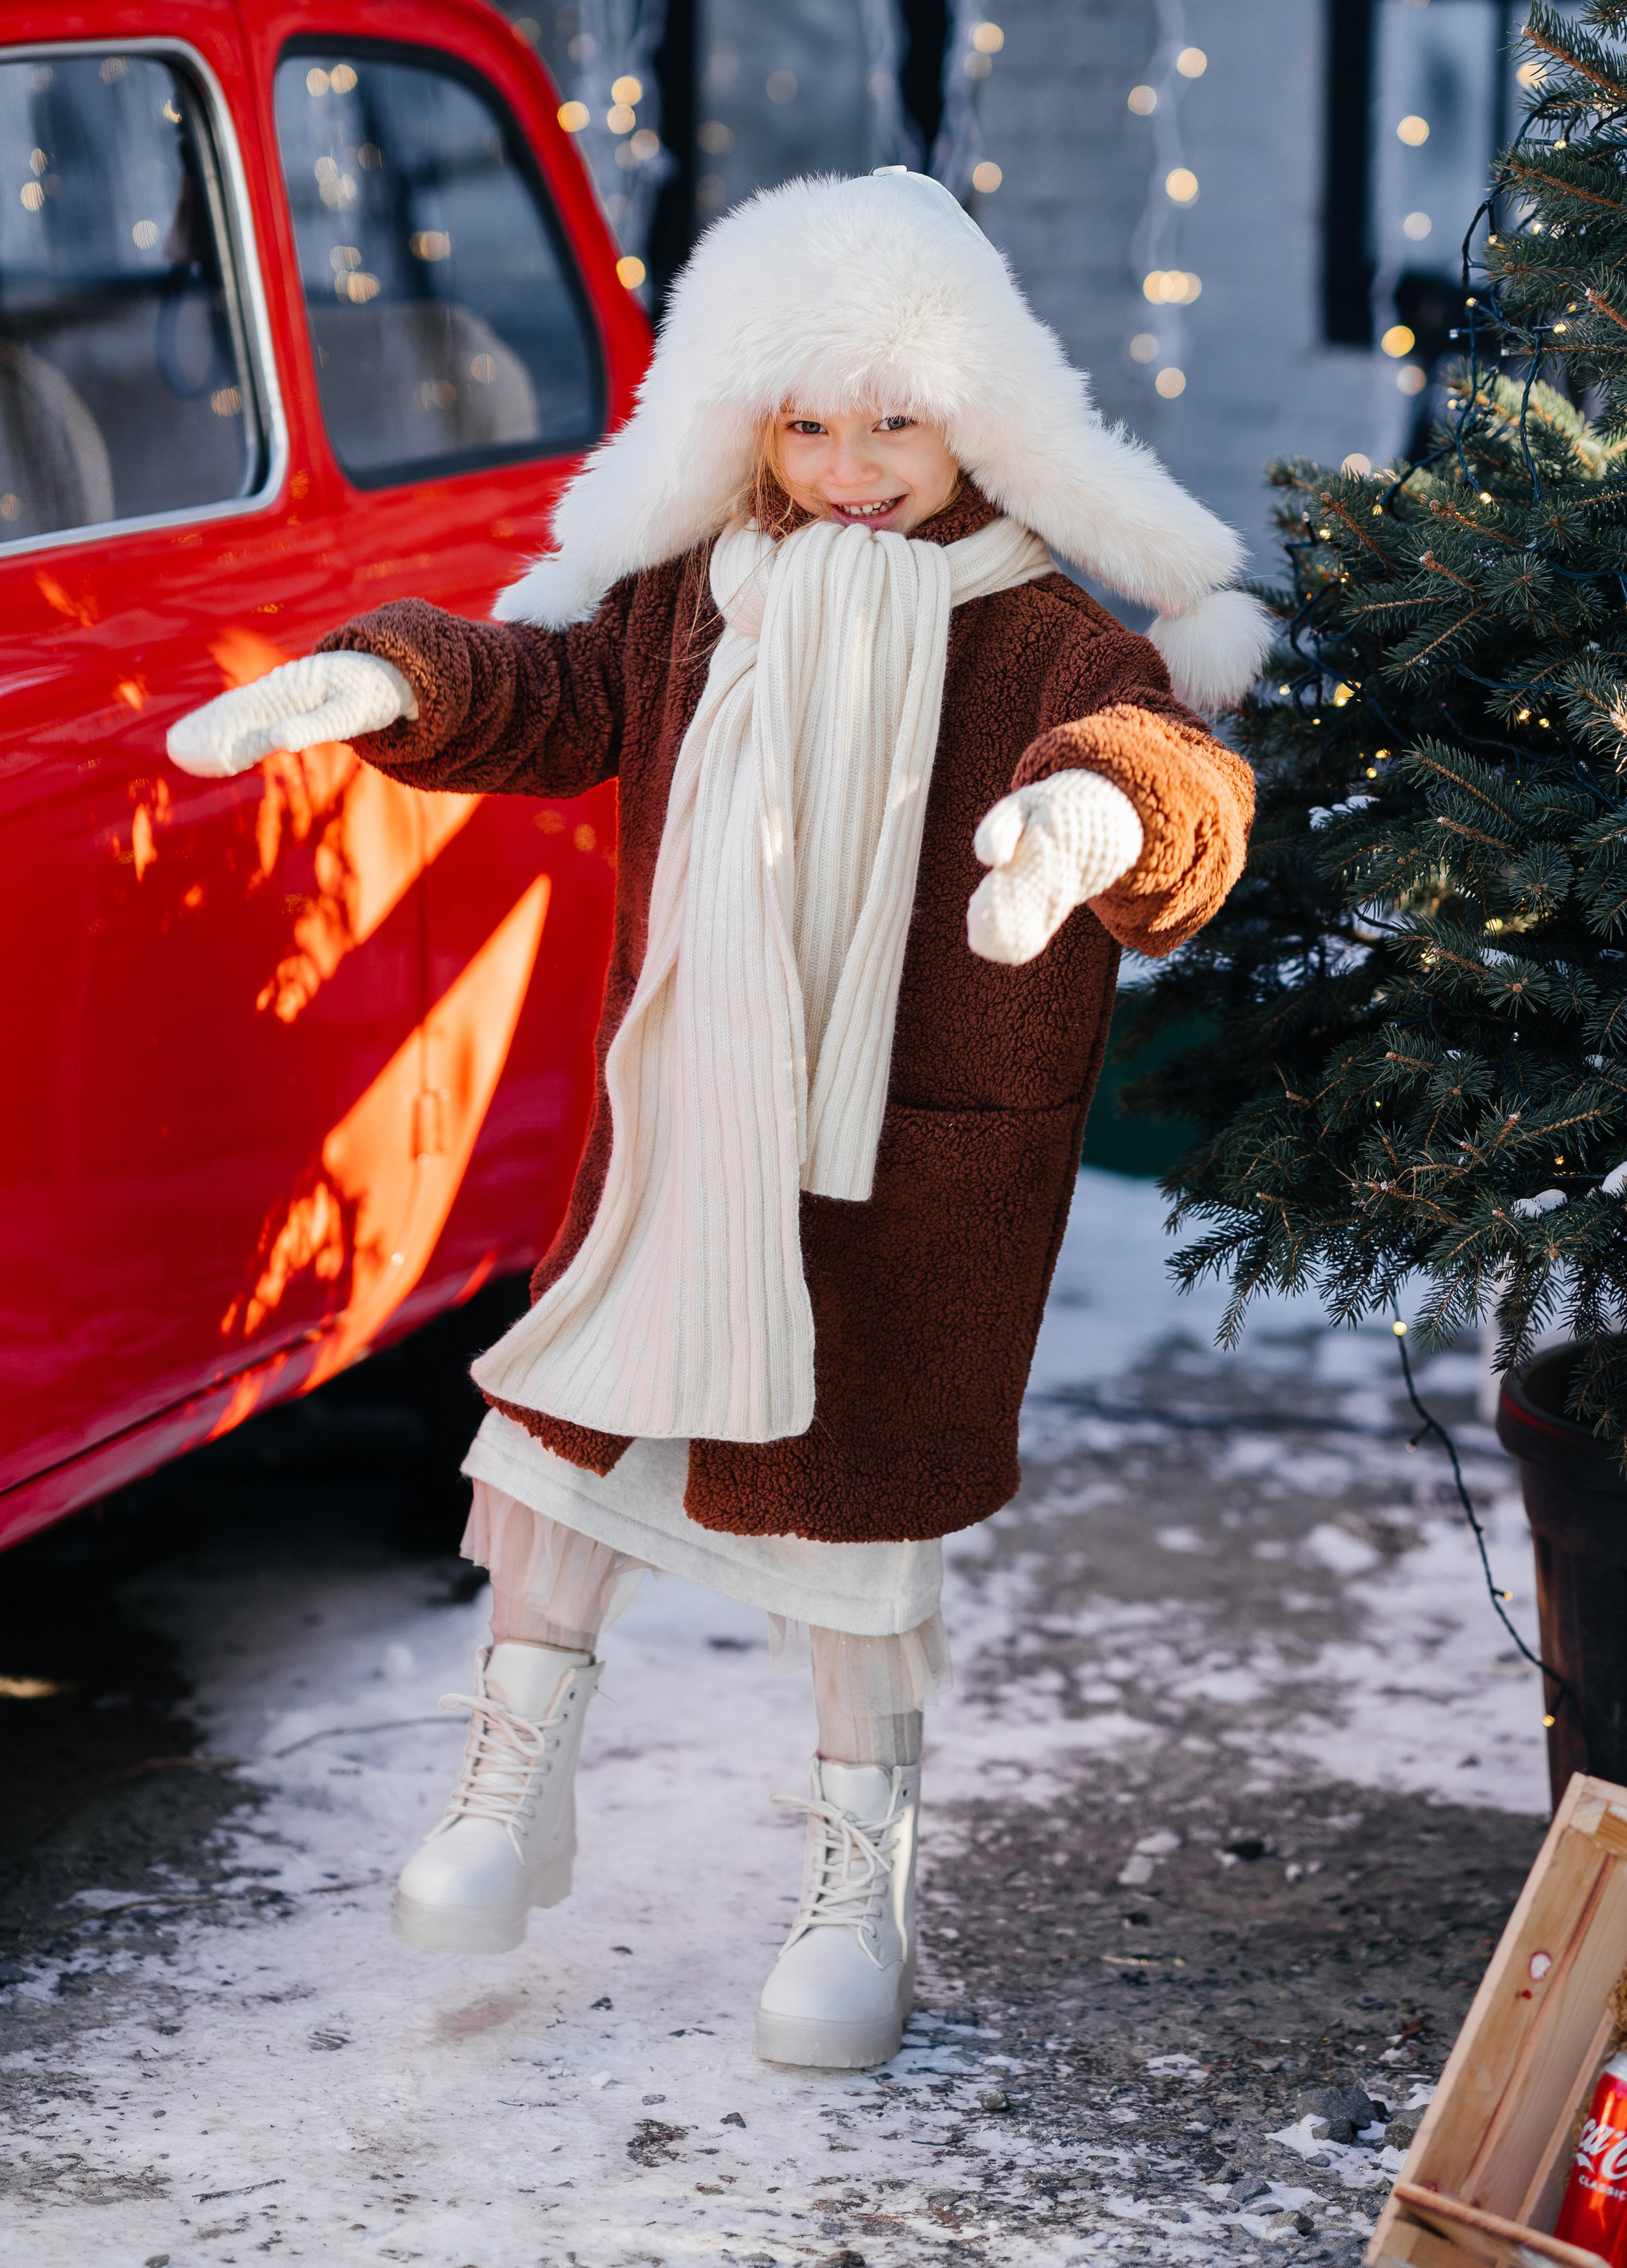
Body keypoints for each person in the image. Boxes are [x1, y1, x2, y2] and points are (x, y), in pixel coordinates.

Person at [167, 169, 1266, 2072]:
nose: (853, 465)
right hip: (691, 1136)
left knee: (855, 1535)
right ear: (744, 422)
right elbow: (547, 693)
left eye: (898, 417)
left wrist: (1091, 818)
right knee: (555, 1457)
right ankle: (518, 1778)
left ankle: (861, 1878)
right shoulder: (700, 591)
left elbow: (1169, 758)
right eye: (810, 419)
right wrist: (375, 681)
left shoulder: (1042, 631)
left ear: (979, 414)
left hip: (894, 1179)